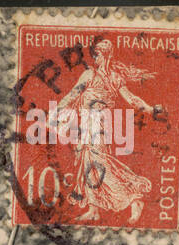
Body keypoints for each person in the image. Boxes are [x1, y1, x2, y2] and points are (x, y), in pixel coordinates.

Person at [57, 38, 161, 225]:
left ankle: (134, 198)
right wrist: (151, 109)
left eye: (97, 55)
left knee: (99, 163)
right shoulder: (107, 77)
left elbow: (72, 95)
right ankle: (94, 209)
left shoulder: (94, 76)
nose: (95, 59)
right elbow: (132, 100)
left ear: (103, 55)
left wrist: (151, 109)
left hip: (96, 125)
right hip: (91, 125)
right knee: (87, 163)